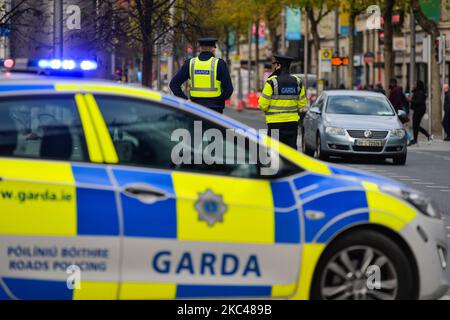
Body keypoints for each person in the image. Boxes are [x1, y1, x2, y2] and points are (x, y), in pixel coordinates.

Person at [169, 37, 233, 114]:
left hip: (196, 110)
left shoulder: (190, 63)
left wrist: (185, 100)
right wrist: (218, 101)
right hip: (214, 112)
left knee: (197, 126)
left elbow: (173, 84)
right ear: (213, 49)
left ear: (200, 49)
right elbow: (229, 90)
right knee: (213, 126)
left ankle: (198, 126)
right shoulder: (219, 64)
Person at [258, 54, 308, 150]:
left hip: (275, 123)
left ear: (279, 66)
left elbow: (263, 105)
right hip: (292, 123)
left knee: (274, 151)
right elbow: (302, 103)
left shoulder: (272, 82)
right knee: (291, 152)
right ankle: (289, 165)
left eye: (275, 65)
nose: (274, 67)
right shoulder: (297, 81)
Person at [408, 80, 433, 145]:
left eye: (415, 84)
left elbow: (418, 101)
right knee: (415, 125)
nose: (413, 85)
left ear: (418, 85)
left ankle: (427, 136)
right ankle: (416, 140)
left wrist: (411, 100)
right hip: (417, 110)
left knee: (415, 125)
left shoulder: (420, 92)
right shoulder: (417, 91)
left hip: (419, 110)